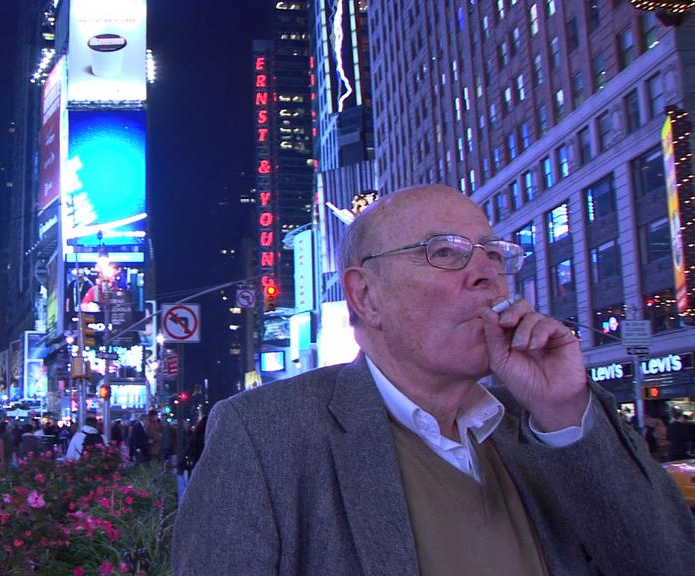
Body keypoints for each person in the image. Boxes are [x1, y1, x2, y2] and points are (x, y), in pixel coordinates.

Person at [173, 185, 695, 575]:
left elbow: (667, 561)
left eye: (494, 254)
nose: (487, 273)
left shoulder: (542, 424)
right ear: (365, 296)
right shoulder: (265, 435)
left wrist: (562, 413)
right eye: (445, 252)